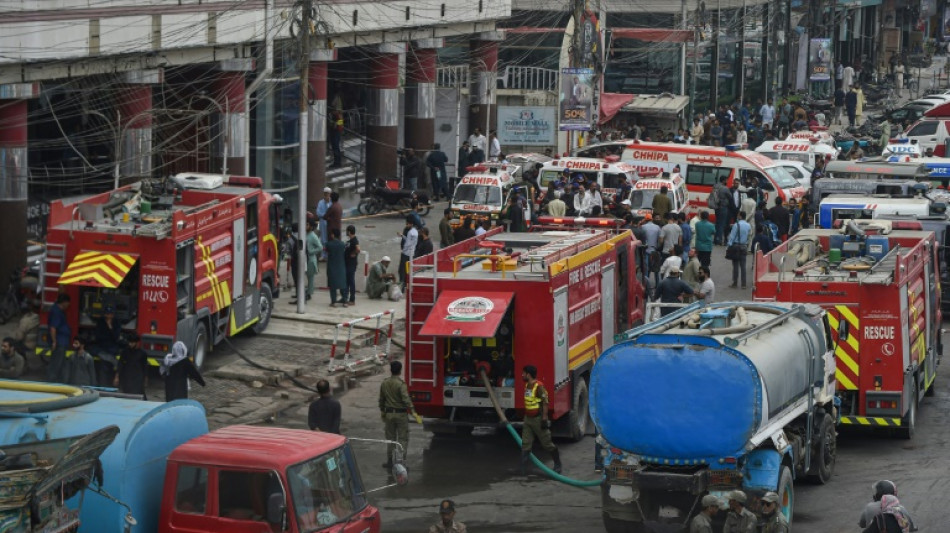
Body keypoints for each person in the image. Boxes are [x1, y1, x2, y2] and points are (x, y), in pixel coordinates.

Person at [379, 360, 421, 467]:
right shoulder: (401, 384)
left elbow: (381, 399)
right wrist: (414, 413)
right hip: (401, 415)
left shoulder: (384, 383)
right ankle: (401, 462)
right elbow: (406, 399)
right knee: (402, 438)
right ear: (400, 370)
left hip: (389, 414)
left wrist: (383, 411)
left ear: (391, 370)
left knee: (391, 439)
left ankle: (390, 461)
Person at [520, 364, 562, 474]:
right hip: (528, 419)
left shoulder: (538, 387)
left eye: (524, 373)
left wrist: (544, 418)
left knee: (547, 443)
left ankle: (558, 464)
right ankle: (523, 468)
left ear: (528, 374)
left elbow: (545, 402)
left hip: (538, 419)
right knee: (525, 443)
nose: (522, 375)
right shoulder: (527, 385)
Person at [93, 306, 122, 385]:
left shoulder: (116, 323)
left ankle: (111, 383)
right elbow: (98, 336)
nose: (108, 316)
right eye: (107, 314)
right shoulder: (101, 322)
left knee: (112, 366)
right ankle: (103, 384)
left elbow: (116, 337)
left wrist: (110, 327)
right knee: (103, 367)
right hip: (102, 348)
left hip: (112, 348)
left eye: (110, 314)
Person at [115, 332, 147, 397]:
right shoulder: (125, 352)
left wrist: (145, 380)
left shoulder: (142, 353)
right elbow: (120, 364)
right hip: (127, 378)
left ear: (137, 342)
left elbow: (145, 367)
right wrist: (117, 376)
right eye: (129, 342)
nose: (130, 344)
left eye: (132, 343)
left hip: (137, 379)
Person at [297, 220, 323, 304]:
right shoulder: (305, 234)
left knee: (310, 278)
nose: (305, 226)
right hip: (305, 258)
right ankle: (304, 292)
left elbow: (320, 247)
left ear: (311, 227)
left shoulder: (313, 236)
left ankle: (309, 293)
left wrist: (311, 251)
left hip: (310, 260)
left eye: (307, 224)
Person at [47, 293, 71, 382]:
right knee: (56, 363)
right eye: (68, 302)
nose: (69, 305)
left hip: (62, 342)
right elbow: (53, 328)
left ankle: (59, 382)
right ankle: (51, 382)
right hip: (59, 342)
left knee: (61, 363)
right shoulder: (56, 312)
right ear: (64, 302)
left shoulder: (58, 310)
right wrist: (54, 341)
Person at [727, 211, 751, 289]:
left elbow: (732, 236)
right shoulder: (748, 225)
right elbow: (749, 235)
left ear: (740, 216)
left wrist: (728, 246)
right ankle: (743, 284)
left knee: (735, 266)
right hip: (744, 246)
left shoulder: (736, 225)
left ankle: (735, 282)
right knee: (743, 266)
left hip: (736, 246)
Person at [325, 228, 346, 308]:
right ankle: (345, 301)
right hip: (341, 266)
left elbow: (326, 251)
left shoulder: (328, 244)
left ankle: (333, 302)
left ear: (333, 235)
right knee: (343, 284)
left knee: (332, 285)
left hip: (332, 266)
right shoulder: (342, 244)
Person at [399, 216, 419, 287]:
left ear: (411, 224)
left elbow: (407, 244)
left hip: (406, 253)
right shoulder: (415, 232)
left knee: (402, 270)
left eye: (407, 224)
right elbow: (410, 241)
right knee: (409, 270)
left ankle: (403, 284)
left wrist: (403, 251)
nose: (406, 225)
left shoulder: (410, 232)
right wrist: (402, 236)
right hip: (412, 253)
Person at [343, 225, 360, 306]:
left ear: (349, 232)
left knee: (350, 282)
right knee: (347, 281)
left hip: (351, 264)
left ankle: (351, 299)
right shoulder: (350, 241)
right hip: (347, 264)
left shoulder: (354, 240)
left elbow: (358, 249)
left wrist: (353, 253)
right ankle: (345, 298)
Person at [713, 177, 731, 245]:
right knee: (721, 224)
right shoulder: (725, 188)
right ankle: (719, 240)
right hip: (723, 207)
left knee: (717, 223)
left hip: (716, 207)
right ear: (724, 181)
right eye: (726, 180)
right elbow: (730, 196)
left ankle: (715, 239)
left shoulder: (715, 186)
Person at [315, 187, 332, 260]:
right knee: (323, 239)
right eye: (325, 194)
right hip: (323, 223)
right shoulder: (320, 202)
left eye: (327, 194)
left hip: (330, 224)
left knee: (330, 239)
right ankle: (324, 255)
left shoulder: (332, 202)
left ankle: (330, 254)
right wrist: (325, 216)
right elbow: (318, 213)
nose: (326, 196)